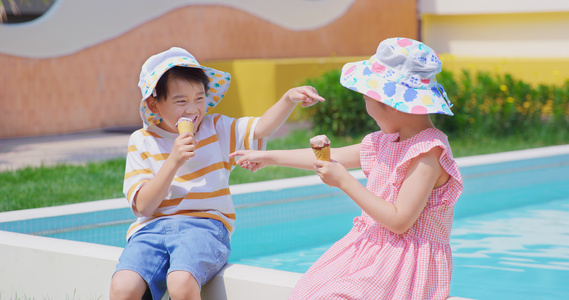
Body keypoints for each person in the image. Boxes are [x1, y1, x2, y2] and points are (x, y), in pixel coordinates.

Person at [230, 37, 463, 299]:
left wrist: (344, 181)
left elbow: (399, 222)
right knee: (308, 291)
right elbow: (335, 157)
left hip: (402, 263)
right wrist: (268, 156)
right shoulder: (386, 140)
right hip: (370, 249)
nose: (366, 107)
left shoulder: (428, 151)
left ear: (386, 102)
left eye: (366, 98)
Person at [109, 47, 324, 300]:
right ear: (154, 103)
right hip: (150, 229)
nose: (193, 110)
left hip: (205, 226)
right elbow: (143, 207)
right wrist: (173, 161)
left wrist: (288, 98)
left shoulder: (217, 128)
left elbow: (261, 127)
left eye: (199, 99)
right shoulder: (141, 141)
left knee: (180, 281)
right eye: (181, 101)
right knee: (123, 286)